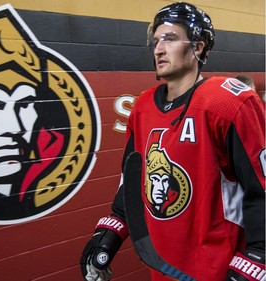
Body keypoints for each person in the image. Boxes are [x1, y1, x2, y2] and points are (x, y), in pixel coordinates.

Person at [80, 2, 265, 281]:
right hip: (163, 268)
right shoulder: (142, 107)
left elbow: (261, 189)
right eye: (156, 41)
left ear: (198, 47)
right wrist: (109, 234)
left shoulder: (228, 102)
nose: (158, 49)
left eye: (170, 38)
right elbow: (131, 183)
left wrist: (257, 259)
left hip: (219, 269)